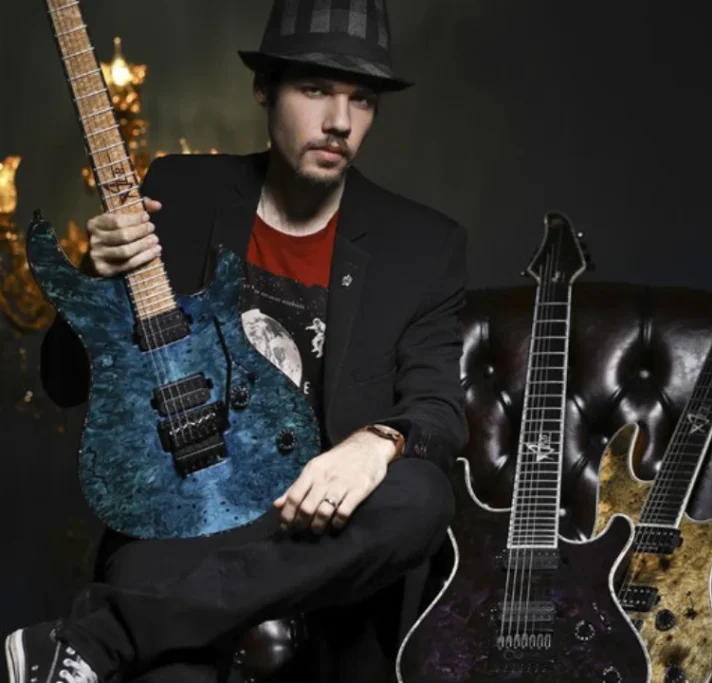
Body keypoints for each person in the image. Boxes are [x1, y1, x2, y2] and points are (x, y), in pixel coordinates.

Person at [3, 1, 467, 681]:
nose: (340, 121)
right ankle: (145, 624)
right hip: (181, 517)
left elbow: (439, 412)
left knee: (422, 496)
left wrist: (373, 444)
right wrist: (95, 276)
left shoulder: (422, 246)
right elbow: (66, 383)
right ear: (263, 90)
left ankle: (102, 635)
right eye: (315, 89)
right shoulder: (180, 192)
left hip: (316, 530)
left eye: (362, 99)